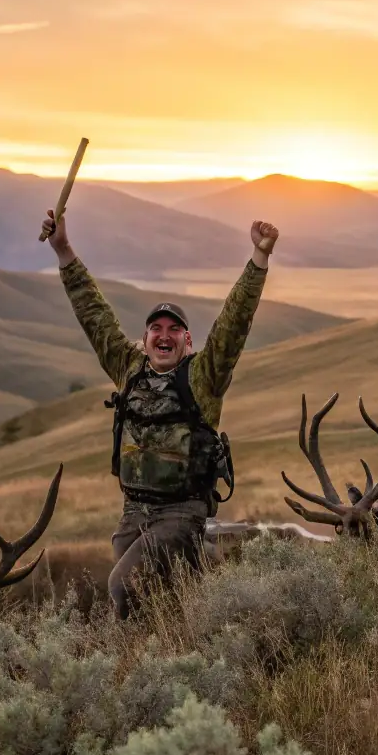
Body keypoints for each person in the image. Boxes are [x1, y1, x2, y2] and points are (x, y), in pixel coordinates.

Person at [41, 207, 279, 616]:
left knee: (122, 586)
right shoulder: (128, 369)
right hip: (133, 514)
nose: (164, 335)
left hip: (183, 514)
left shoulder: (203, 377)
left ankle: (137, 668)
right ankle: (174, 649)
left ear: (188, 340)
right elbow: (93, 314)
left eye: (174, 330)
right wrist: (63, 250)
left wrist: (259, 259)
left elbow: (234, 323)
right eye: (157, 329)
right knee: (153, 605)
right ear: (145, 338)